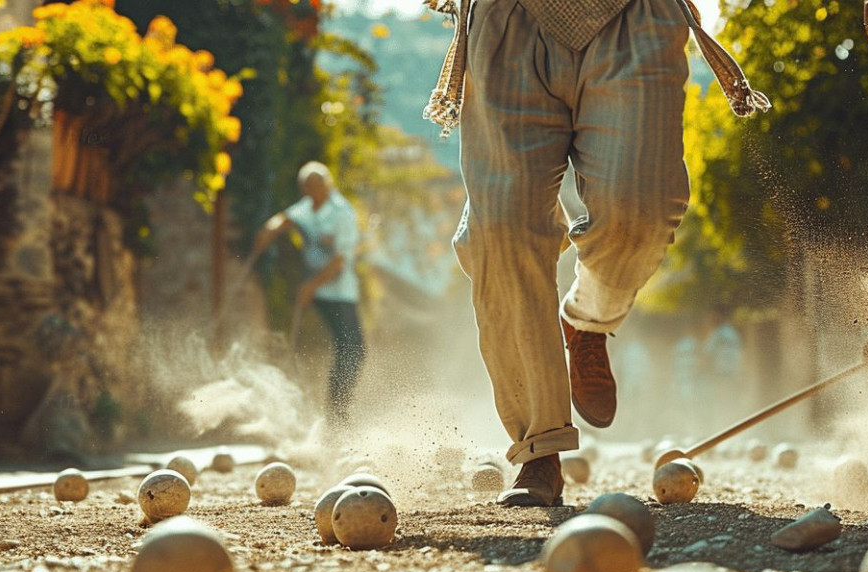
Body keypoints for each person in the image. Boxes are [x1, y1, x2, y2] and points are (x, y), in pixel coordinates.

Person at [423, 0, 768, 506]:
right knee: (501, 231)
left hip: (634, 16)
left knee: (642, 208)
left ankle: (587, 319)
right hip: (508, 20)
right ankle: (539, 450)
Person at [243, 162, 365, 426]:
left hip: (340, 293)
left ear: (327, 186)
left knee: (352, 351)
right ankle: (323, 416)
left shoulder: (342, 213)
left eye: (318, 187)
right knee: (334, 348)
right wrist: (269, 230)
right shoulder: (307, 208)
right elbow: (286, 219)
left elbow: (340, 261)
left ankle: (337, 413)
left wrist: (311, 287)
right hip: (318, 293)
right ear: (305, 189)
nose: (313, 193)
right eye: (308, 189)